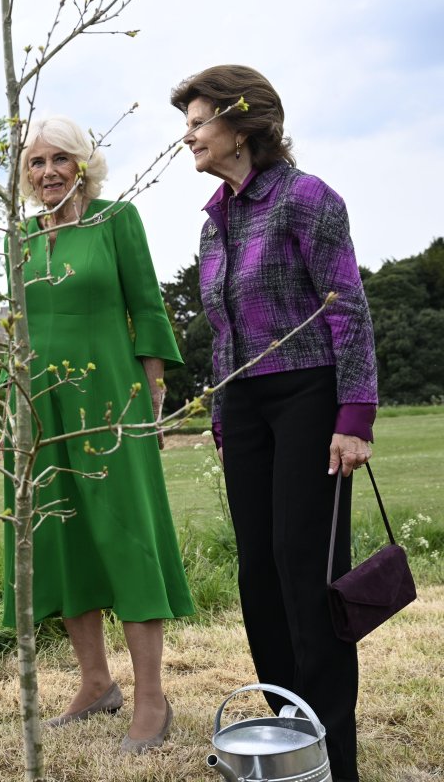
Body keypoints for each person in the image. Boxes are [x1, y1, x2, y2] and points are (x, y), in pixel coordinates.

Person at [171, 65, 377, 782]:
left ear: (241, 122)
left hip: (311, 399)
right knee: (258, 572)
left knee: (305, 572)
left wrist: (356, 415)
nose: (188, 135)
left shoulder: (305, 198)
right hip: (246, 407)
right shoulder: (214, 219)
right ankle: (289, 741)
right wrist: (226, 417)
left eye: (198, 121)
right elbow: (222, 331)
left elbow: (347, 305)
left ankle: (334, 760)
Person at [3, 116, 194, 754]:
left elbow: (148, 305)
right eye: (36, 162)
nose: (48, 171)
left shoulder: (116, 221)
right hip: (39, 404)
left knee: (125, 534)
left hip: (110, 397)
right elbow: (18, 327)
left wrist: (154, 395)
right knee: (58, 539)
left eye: (61, 158)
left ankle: (151, 697)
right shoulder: (20, 237)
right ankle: (94, 682)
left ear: (84, 164)